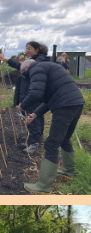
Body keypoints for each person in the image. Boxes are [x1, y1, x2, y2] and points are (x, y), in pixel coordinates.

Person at [19, 52, 87, 194]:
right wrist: (33, 115)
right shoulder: (48, 68)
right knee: (65, 138)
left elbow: (36, 94)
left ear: (26, 67)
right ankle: (68, 170)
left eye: (25, 75)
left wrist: (22, 106)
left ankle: (44, 186)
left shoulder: (36, 68)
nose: (27, 78)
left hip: (65, 106)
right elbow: (49, 99)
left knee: (51, 143)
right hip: (76, 103)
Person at [12, 59, 45, 155]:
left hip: (32, 102)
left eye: (23, 71)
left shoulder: (34, 76)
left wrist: (24, 103)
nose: (22, 74)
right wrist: (18, 101)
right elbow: (19, 90)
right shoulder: (25, 76)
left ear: (27, 68)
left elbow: (34, 93)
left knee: (34, 122)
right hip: (25, 101)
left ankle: (34, 144)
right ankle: (30, 140)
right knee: (29, 123)